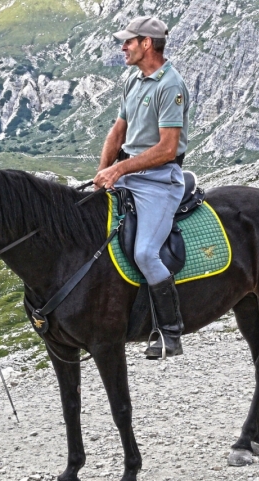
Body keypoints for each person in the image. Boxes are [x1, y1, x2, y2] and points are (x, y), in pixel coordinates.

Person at [93, 15, 190, 358]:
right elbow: (118, 133)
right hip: (129, 175)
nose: (123, 47)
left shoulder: (170, 85)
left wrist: (119, 169)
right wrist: (103, 172)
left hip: (160, 182)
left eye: (129, 41)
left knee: (145, 252)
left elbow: (166, 149)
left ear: (146, 44)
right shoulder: (135, 82)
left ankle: (170, 333)